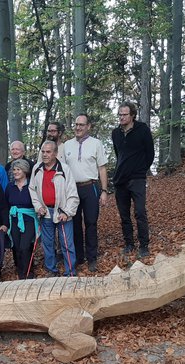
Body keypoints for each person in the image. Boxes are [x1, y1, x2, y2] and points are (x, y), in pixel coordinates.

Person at [63, 113, 108, 272]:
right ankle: (78, 257)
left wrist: (104, 191)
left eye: (81, 125)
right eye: (76, 124)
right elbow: (62, 170)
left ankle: (92, 258)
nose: (78, 127)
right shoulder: (67, 145)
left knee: (91, 223)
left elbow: (102, 168)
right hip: (72, 189)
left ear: (88, 126)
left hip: (90, 187)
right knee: (74, 224)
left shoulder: (96, 144)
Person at [111, 101, 155, 258]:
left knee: (140, 212)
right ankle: (129, 243)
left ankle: (144, 245)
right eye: (120, 114)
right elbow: (119, 155)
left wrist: (140, 169)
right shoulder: (115, 133)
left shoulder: (142, 129)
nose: (121, 117)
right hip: (120, 180)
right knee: (124, 215)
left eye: (125, 114)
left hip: (137, 178)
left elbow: (150, 153)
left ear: (132, 115)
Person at [29, 141, 79, 277]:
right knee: (47, 244)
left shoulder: (64, 169)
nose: (45, 154)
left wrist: (67, 212)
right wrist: (38, 207)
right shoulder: (37, 169)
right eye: (43, 152)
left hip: (62, 212)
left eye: (48, 152)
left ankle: (70, 273)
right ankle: (51, 270)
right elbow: (32, 190)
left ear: (55, 153)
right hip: (45, 212)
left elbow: (73, 194)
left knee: (67, 244)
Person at [5, 159, 39, 279]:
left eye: (18, 169)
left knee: (25, 246)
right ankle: (21, 273)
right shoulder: (10, 187)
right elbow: (6, 204)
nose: (15, 172)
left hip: (29, 219)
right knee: (17, 247)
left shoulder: (31, 185)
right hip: (14, 219)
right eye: (14, 170)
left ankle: (28, 272)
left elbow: (37, 202)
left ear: (25, 171)